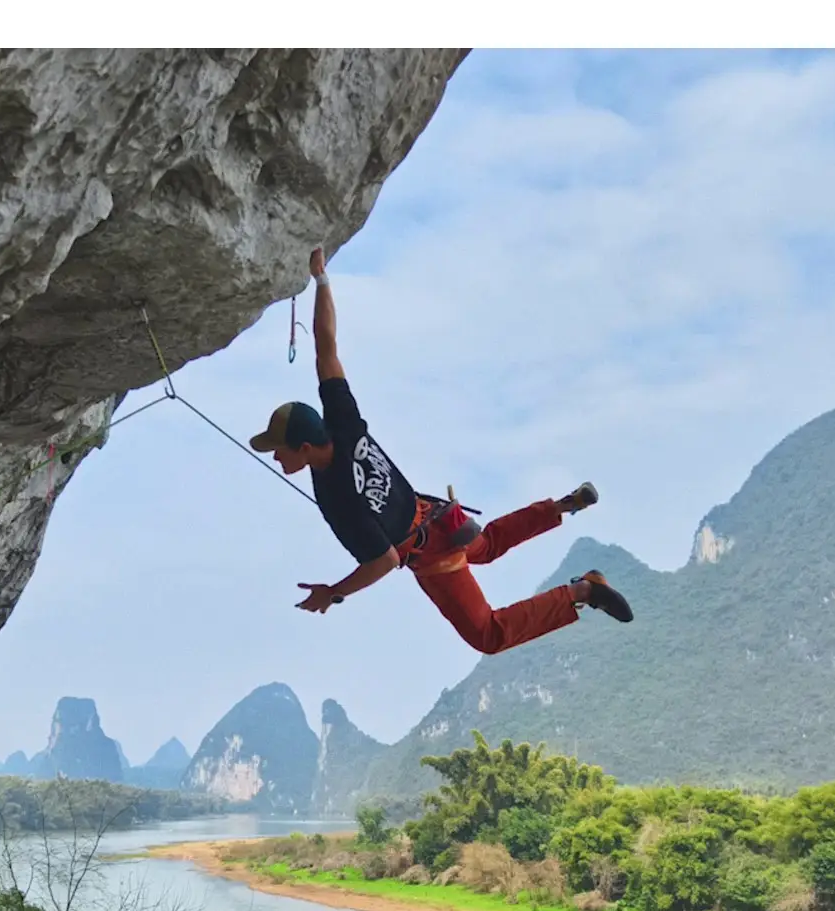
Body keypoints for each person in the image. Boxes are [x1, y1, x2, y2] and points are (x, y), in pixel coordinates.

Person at [246, 247, 634, 655]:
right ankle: (562, 506)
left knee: (490, 634)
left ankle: (583, 591)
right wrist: (322, 279)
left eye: (279, 450)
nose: (276, 458)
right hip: (441, 516)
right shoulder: (343, 422)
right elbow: (326, 349)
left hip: (430, 550)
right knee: (488, 546)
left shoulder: (338, 500)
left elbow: (385, 563)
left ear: (304, 448)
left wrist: (333, 592)